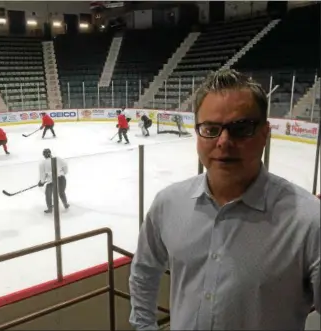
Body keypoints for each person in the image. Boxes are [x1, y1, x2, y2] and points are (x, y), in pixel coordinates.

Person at [129, 69, 320, 330]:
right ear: (198, 134)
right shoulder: (168, 204)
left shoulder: (309, 221)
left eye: (241, 129)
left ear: (264, 134)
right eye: (211, 128)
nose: (224, 142)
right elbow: (143, 272)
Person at [38, 148, 69, 213]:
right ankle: (65, 204)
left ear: (44, 155)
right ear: (50, 153)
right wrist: (63, 173)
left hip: (52, 182)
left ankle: (50, 208)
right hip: (62, 179)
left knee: (48, 194)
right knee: (61, 192)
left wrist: (41, 182)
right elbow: (65, 167)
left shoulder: (43, 163)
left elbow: (43, 175)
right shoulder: (58, 158)